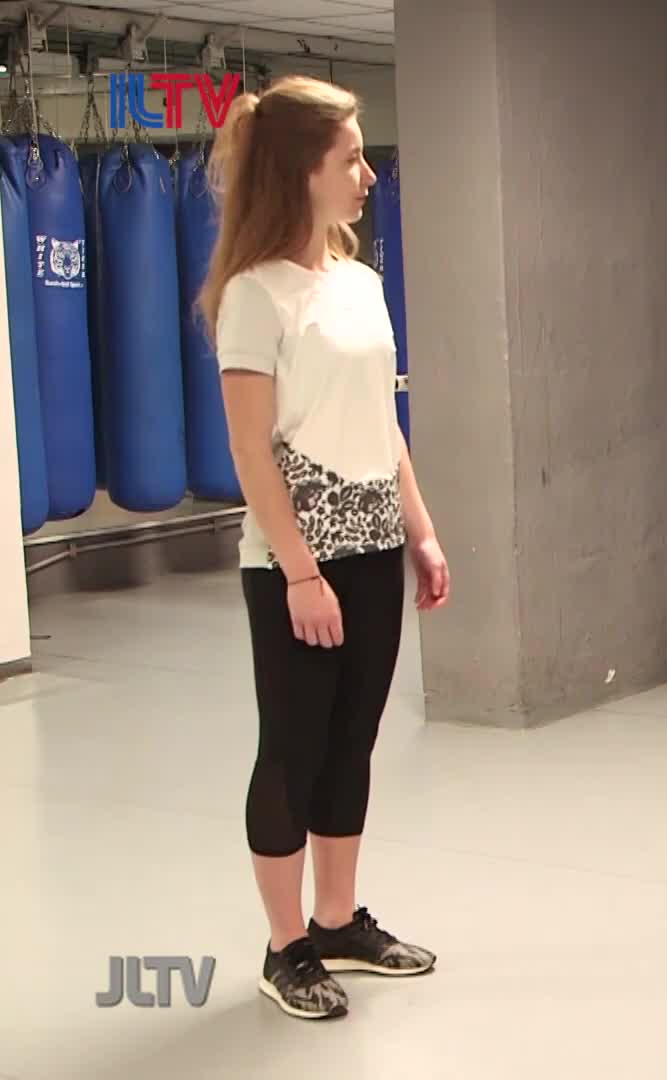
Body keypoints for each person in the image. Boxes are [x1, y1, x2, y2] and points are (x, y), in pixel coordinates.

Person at [201, 75, 451, 1020]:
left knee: (354, 743)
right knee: (293, 751)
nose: (364, 175)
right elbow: (247, 448)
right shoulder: (252, 300)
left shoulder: (361, 286)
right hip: (294, 563)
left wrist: (420, 532)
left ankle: (339, 922)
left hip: (374, 547)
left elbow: (382, 423)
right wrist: (298, 568)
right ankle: (285, 945)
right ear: (304, 169)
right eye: (350, 157)